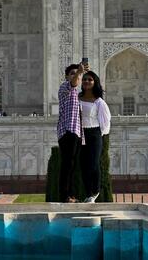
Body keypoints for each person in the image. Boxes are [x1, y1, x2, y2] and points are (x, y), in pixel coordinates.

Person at [78, 70, 111, 203]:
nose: (86, 81)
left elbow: (105, 121)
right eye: (84, 79)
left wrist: (99, 135)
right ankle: (88, 193)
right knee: (83, 165)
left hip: (94, 133)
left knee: (93, 163)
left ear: (95, 82)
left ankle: (95, 191)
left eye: (90, 79)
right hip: (80, 133)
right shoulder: (77, 98)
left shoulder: (99, 102)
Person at [57, 62, 86, 202]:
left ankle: (71, 195)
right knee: (67, 165)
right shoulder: (65, 87)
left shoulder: (77, 94)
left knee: (72, 165)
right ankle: (65, 195)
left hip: (76, 131)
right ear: (67, 77)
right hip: (67, 130)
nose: (75, 76)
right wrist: (79, 72)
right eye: (72, 73)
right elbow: (73, 83)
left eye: (77, 73)